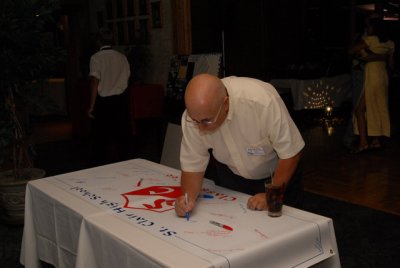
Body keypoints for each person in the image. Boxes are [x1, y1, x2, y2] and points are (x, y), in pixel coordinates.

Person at [174, 74, 305, 218]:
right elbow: (193, 165)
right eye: (195, 121)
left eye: (206, 121)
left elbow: (291, 152)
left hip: (277, 176)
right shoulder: (195, 114)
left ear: (225, 104)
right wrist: (187, 199)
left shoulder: (261, 101)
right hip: (232, 176)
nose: (200, 128)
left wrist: (272, 194)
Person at [348, 18, 395, 153]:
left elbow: (350, 50)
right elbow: (391, 65)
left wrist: (367, 56)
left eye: (368, 27)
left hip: (373, 76)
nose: (367, 30)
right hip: (383, 77)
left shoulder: (372, 40)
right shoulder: (390, 43)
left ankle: (363, 143)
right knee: (377, 106)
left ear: (374, 28)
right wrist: (380, 57)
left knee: (359, 110)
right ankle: (375, 141)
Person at [88, 28, 133, 165]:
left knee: (102, 140)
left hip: (104, 103)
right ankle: (128, 167)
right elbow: (127, 79)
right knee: (123, 138)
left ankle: (104, 169)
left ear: (98, 41)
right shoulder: (122, 57)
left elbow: (95, 83)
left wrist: (91, 106)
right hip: (121, 101)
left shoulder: (96, 58)